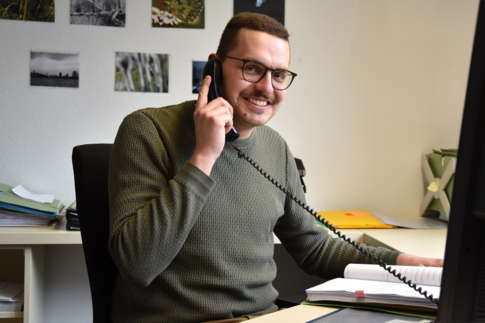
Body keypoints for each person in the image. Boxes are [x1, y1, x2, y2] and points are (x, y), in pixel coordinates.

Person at [107, 12, 443, 323]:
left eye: (279, 75)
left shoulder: (275, 147)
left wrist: (402, 263)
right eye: (252, 68)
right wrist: (204, 155)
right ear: (215, 68)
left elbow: (314, 247)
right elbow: (137, 264)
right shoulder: (147, 130)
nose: (267, 87)